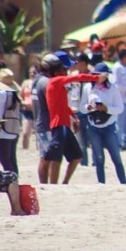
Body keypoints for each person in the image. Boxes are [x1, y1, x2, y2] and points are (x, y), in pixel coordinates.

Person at [45, 54, 108, 184]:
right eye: (63, 70)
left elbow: (62, 105)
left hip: (64, 125)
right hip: (59, 125)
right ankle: (53, 185)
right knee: (56, 158)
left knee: (77, 156)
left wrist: (73, 117)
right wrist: (96, 78)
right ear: (58, 72)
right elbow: (77, 77)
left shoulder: (58, 85)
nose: (66, 72)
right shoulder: (55, 81)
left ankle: (64, 183)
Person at [80, 63, 126, 184]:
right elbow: (81, 107)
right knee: (99, 158)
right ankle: (101, 183)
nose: (100, 77)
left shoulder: (113, 88)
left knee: (116, 157)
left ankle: (124, 183)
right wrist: (89, 107)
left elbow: (120, 108)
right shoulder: (87, 88)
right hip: (93, 126)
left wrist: (107, 109)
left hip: (109, 126)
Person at [113, 50, 126, 150]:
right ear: (123, 57)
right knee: (119, 122)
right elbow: (115, 83)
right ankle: (118, 143)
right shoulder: (117, 67)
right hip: (120, 99)